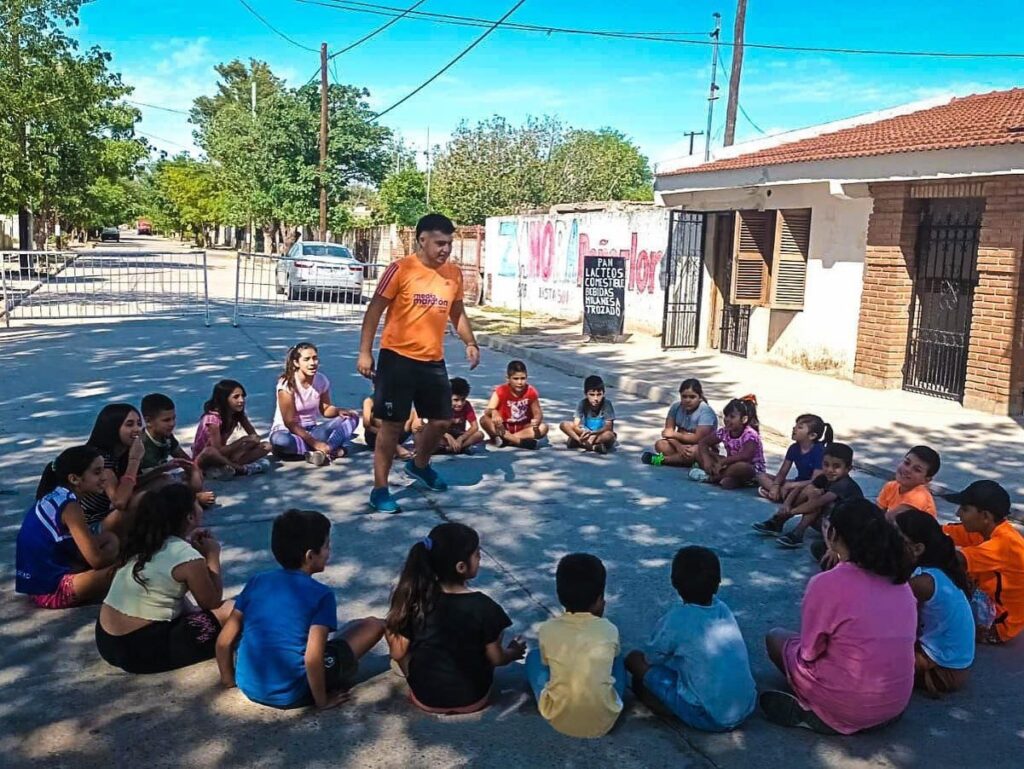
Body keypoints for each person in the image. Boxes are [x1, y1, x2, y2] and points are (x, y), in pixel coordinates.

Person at [357, 213, 481, 514]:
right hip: (397, 359)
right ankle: (380, 489)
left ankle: (419, 464)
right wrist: (365, 352)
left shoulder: (453, 274)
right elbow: (374, 310)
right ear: (422, 240)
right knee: (392, 426)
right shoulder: (399, 270)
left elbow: (457, 314)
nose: (445, 250)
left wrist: (470, 341)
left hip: (432, 361)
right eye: (440, 243)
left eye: (449, 244)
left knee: (441, 421)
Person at [761, 499, 916, 735]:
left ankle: (818, 713)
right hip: (895, 703)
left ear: (832, 533)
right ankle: (861, 710)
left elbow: (809, 651)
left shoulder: (827, 583)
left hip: (848, 705)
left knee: (776, 638)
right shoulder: (900, 580)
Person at [217, 510, 385, 709]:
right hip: (292, 692)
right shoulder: (321, 595)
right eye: (326, 546)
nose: (329, 552)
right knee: (374, 625)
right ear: (310, 555)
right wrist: (322, 701)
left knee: (353, 626)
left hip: (249, 686)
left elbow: (224, 641)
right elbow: (312, 657)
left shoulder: (257, 581)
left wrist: (229, 681)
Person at [385, 522, 525, 714]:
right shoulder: (484, 606)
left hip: (425, 698)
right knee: (490, 637)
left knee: (402, 638)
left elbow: (398, 653)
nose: (480, 558)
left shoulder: (414, 600)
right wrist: (514, 652)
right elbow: (497, 659)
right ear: (461, 567)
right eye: (476, 555)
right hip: (473, 699)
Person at [96, 484, 232, 674]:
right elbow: (212, 602)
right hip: (141, 651)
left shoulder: (147, 541)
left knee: (168, 588)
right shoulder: (186, 556)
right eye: (197, 504)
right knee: (231, 611)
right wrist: (212, 555)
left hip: (106, 641)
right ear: (190, 517)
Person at [625, 546, 756, 732]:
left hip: (710, 716)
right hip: (747, 704)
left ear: (673, 582)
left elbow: (652, 657)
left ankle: (674, 709)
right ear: (718, 583)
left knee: (634, 661)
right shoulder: (723, 609)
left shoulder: (678, 618)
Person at [526, 553, 624, 738]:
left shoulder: (548, 629)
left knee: (533, 657)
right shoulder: (609, 629)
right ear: (599, 599)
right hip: (606, 720)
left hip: (557, 717)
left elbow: (546, 664)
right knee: (617, 659)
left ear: (560, 596)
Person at [15, 446, 119, 609]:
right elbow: (97, 560)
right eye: (97, 472)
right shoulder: (70, 507)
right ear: (75, 479)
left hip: (37, 580)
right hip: (49, 591)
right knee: (126, 572)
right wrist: (124, 561)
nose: (104, 477)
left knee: (110, 538)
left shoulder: (57, 495)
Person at [895, 509, 974, 696]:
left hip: (942, 670)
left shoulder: (923, 582)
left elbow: (882, 604)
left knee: (864, 656)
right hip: (951, 660)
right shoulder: (937, 570)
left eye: (895, 538)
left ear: (917, 549)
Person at [942, 480, 1024, 644]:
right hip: (985, 596)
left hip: (998, 623)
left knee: (933, 583)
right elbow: (940, 532)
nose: (958, 513)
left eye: (965, 509)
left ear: (985, 516)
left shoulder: (1004, 544)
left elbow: (956, 560)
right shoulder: (981, 529)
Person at [753, 443, 864, 549]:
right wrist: (786, 504)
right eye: (826, 464)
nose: (830, 470)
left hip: (843, 528)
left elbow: (817, 503)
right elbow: (799, 489)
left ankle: (798, 533)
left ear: (848, 469)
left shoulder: (843, 484)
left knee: (816, 501)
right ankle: (779, 522)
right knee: (811, 490)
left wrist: (791, 511)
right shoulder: (824, 477)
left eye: (836, 466)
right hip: (827, 521)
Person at [270, 343, 360, 465]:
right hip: (288, 432)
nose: (312, 363)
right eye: (306, 359)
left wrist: (339, 411)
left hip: (312, 431)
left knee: (352, 417)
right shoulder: (287, 385)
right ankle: (331, 450)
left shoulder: (321, 380)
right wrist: (315, 444)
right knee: (281, 441)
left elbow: (326, 409)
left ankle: (324, 451)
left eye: (315, 358)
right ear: (296, 363)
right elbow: (289, 422)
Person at [139, 393, 215, 507]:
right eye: (166, 420)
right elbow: (134, 481)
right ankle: (192, 499)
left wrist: (193, 470)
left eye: (174, 418)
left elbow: (184, 459)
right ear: (148, 421)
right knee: (166, 480)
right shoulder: (140, 444)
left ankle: (187, 497)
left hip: (161, 480)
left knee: (192, 473)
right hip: (143, 488)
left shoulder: (167, 437)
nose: (172, 424)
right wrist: (161, 470)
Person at [80, 403, 146, 532]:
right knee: (137, 504)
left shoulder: (122, 453)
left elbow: (133, 483)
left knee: (162, 482)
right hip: (90, 524)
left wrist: (161, 471)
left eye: (138, 423)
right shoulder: (100, 459)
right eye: (129, 424)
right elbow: (120, 502)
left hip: (106, 516)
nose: (137, 429)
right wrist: (134, 460)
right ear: (112, 428)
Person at [193, 379, 270, 477]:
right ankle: (242, 469)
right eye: (236, 397)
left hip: (224, 455)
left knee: (267, 446)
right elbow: (217, 450)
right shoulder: (212, 419)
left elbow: (254, 437)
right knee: (210, 451)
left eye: (242, 396)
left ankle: (226, 468)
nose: (241, 400)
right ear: (224, 399)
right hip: (206, 458)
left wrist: (243, 449)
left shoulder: (237, 414)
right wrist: (242, 440)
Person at [694, 396, 765, 489]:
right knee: (698, 451)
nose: (727, 419)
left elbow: (745, 456)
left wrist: (723, 462)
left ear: (743, 419)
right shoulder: (724, 431)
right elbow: (703, 443)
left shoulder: (750, 435)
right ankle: (724, 477)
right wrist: (707, 460)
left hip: (750, 469)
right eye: (726, 416)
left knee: (742, 467)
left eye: (732, 417)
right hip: (729, 465)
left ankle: (714, 477)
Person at [756, 414, 832, 502]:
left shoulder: (819, 451)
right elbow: (782, 472)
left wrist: (792, 485)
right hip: (798, 482)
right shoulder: (793, 448)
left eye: (800, 427)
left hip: (811, 485)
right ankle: (778, 494)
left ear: (812, 436)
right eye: (795, 425)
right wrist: (775, 486)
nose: (794, 428)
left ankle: (778, 496)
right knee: (761, 476)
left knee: (809, 492)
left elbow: (815, 481)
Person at [641, 378, 716, 467]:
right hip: (681, 445)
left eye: (692, 397)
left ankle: (662, 460)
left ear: (700, 397)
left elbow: (698, 438)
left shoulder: (706, 412)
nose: (688, 400)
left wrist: (675, 435)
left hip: (702, 448)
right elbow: (667, 433)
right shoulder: (676, 407)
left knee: (694, 451)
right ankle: (688, 461)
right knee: (660, 445)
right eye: (684, 396)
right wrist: (678, 446)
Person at [481, 360, 549, 449]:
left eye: (523, 378)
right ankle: (518, 442)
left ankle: (508, 440)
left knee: (544, 427)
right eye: (515, 379)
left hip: (523, 429)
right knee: (484, 420)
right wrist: (494, 412)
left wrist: (536, 420)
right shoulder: (501, 391)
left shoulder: (531, 391)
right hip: (503, 427)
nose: (520, 382)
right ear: (508, 378)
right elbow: (488, 410)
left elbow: (537, 412)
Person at [877, 446, 940, 518]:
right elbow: (877, 514)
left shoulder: (919, 497)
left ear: (926, 480)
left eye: (917, 470)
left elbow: (891, 518)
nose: (907, 470)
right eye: (907, 463)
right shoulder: (890, 486)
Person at [559, 375, 616, 454]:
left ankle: (579, 442)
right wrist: (583, 433)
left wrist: (594, 434)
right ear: (586, 394)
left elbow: (608, 427)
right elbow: (576, 424)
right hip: (586, 432)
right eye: (592, 395)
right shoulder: (582, 403)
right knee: (564, 424)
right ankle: (586, 443)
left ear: (603, 394)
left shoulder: (606, 404)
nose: (596, 399)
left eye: (599, 394)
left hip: (600, 433)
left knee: (610, 436)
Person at [437, 377, 485, 455]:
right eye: (456, 400)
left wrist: (461, 438)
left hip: (460, 436)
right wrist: (448, 436)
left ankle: (453, 448)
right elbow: (434, 425)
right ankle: (458, 448)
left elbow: (475, 427)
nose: (460, 404)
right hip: (444, 436)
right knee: (429, 434)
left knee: (479, 434)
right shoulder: (442, 405)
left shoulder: (467, 405)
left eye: (463, 399)